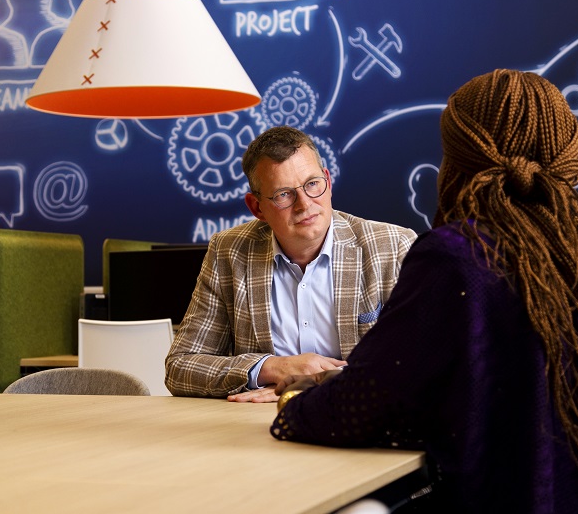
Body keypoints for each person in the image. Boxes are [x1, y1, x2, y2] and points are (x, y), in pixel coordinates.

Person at [270, 69, 578, 513]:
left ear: (457, 160)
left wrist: (293, 401)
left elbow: (357, 408)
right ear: (569, 154)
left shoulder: (457, 257)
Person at [165, 126, 417, 400]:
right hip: (255, 427)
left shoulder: (393, 247)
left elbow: (428, 357)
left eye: (312, 184)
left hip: (360, 420)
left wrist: (316, 384)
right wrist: (271, 368)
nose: (304, 204)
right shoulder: (229, 252)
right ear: (257, 207)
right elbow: (181, 366)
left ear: (328, 182)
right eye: (284, 194)